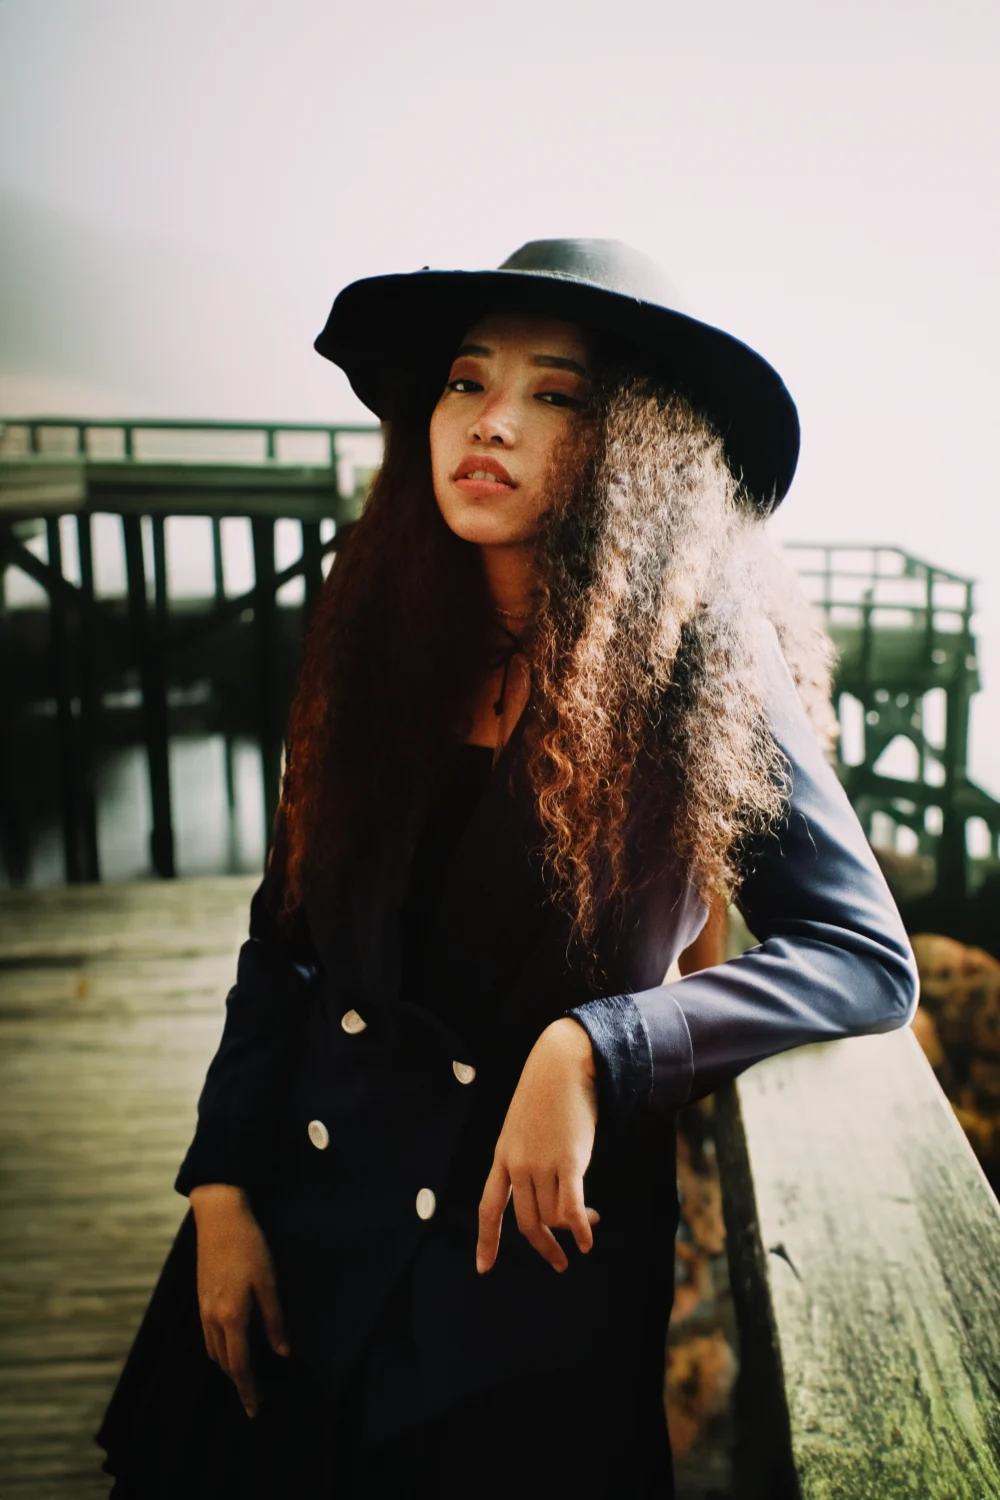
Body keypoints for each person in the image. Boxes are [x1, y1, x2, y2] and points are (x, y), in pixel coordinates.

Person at [95, 238, 919, 1498]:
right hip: (293, 1244)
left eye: (553, 394)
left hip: (517, 1298)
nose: (490, 422)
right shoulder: (377, 637)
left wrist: (601, 1045)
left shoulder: (702, 674)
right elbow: (287, 938)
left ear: (636, 447)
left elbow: (864, 959)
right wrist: (217, 1185)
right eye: (467, 382)